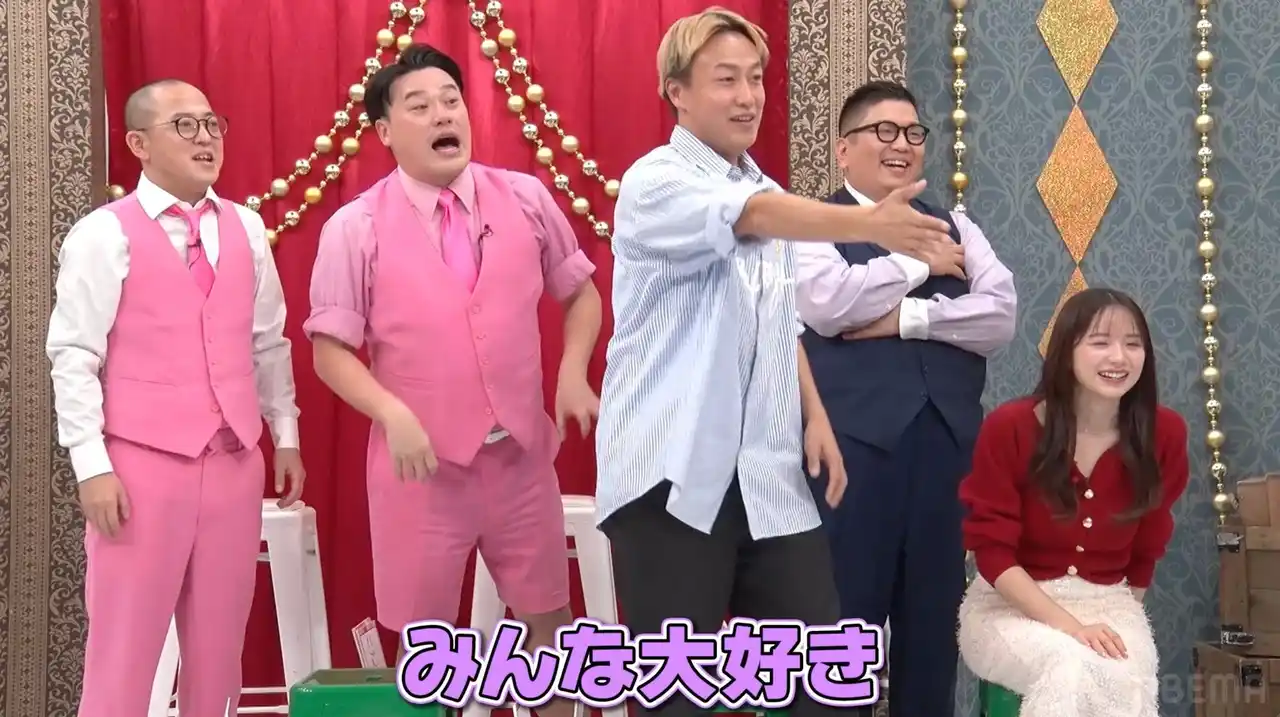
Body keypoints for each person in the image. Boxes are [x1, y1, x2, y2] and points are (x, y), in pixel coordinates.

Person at [593, 9, 959, 717]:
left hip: (767, 477)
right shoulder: (657, 180)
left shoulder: (763, 186)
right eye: (726, 80)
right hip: (671, 477)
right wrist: (868, 222)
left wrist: (813, 416)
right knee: (680, 702)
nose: (747, 97)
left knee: (826, 686)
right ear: (677, 92)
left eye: (756, 79)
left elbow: (777, 321)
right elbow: (750, 216)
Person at [304, 44, 601, 717]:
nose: (442, 114)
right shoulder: (355, 228)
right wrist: (392, 413)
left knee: (550, 629)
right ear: (385, 132)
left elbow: (581, 293)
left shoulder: (525, 198)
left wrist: (571, 373)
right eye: (419, 106)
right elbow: (330, 351)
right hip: (422, 472)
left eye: (451, 100)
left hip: (521, 459)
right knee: (427, 648)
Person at [47, 79, 306, 717]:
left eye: (212, 124)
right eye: (184, 126)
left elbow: (268, 342)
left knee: (219, 649)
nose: (205, 138)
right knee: (124, 648)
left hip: (234, 461)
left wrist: (286, 435)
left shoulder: (247, 228)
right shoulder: (103, 235)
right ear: (138, 144)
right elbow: (74, 355)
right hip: (140, 466)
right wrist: (91, 465)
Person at [794, 79, 1017, 717]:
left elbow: (998, 315)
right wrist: (920, 262)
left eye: (913, 132)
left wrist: (907, 319)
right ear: (843, 149)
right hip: (851, 456)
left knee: (932, 634)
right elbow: (830, 305)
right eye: (883, 131)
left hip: (945, 455)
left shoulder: (958, 225)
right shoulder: (813, 225)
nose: (902, 144)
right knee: (840, 631)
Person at [957, 288, 1188, 717]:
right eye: (1100, 342)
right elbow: (992, 554)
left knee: (1127, 679)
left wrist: (1118, 621)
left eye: (1133, 344)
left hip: (1110, 604)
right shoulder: (1010, 427)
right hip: (1008, 606)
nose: (1118, 357)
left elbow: (1147, 547)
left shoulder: (1165, 435)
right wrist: (1073, 628)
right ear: (1066, 352)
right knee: (1069, 665)